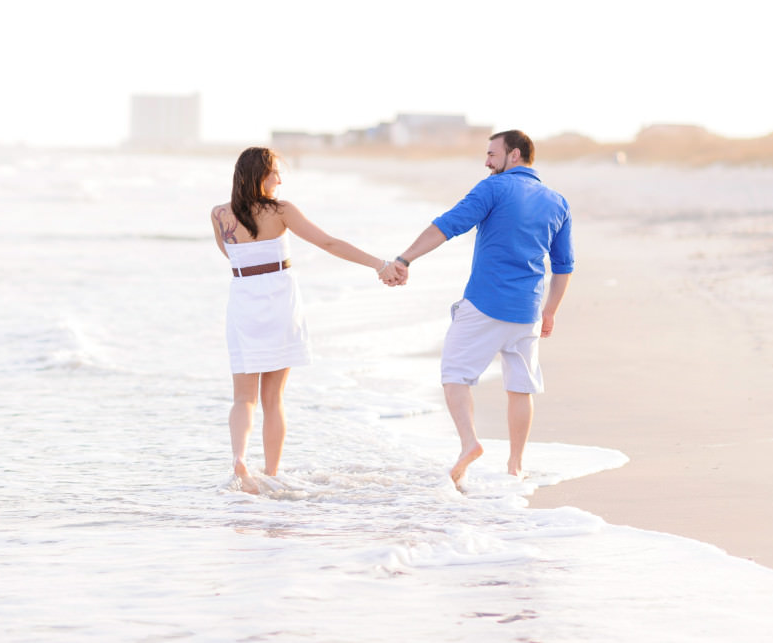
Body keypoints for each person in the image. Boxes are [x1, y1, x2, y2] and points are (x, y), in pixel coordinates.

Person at [380, 130, 574, 487]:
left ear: (513, 155)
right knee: (520, 387)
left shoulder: (493, 189)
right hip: (528, 310)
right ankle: (515, 466)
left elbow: (447, 225)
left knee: (455, 375)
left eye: (491, 154)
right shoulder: (557, 202)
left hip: (486, 302)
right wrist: (551, 311)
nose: (486, 162)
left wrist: (405, 258)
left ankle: (469, 444)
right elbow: (563, 266)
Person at [212, 146, 393, 494]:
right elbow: (328, 242)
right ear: (258, 175)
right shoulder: (282, 210)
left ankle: (239, 460)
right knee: (273, 398)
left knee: (243, 398)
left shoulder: (219, 214)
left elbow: (230, 255)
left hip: (243, 300)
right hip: (279, 299)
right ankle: (273, 471)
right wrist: (379, 264)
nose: (279, 180)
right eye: (275, 173)